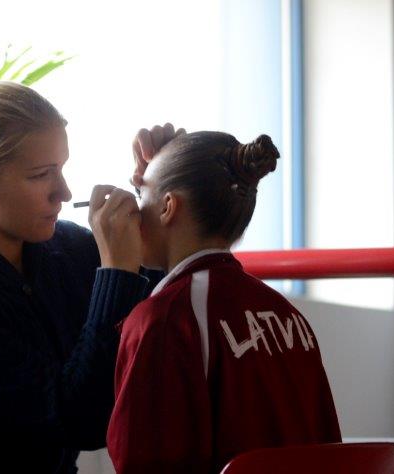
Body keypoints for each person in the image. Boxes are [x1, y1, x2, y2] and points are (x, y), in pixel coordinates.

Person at [0, 80, 172, 473]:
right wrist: (116, 275)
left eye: (62, 168)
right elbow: (77, 421)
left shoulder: (63, 249)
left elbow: (167, 292)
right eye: (41, 175)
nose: (64, 192)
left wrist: (161, 189)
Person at [107, 131, 342, 473]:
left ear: (168, 206)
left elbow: (139, 461)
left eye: (141, 194)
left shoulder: (163, 318)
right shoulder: (289, 316)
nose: (135, 210)